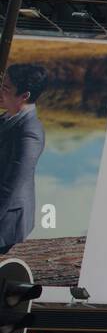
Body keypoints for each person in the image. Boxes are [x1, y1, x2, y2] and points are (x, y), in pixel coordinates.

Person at [0, 64, 49, 254]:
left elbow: (9, 187)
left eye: (6, 88)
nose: (1, 90)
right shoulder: (8, 118)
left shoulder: (30, 132)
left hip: (6, 221)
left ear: (24, 95)